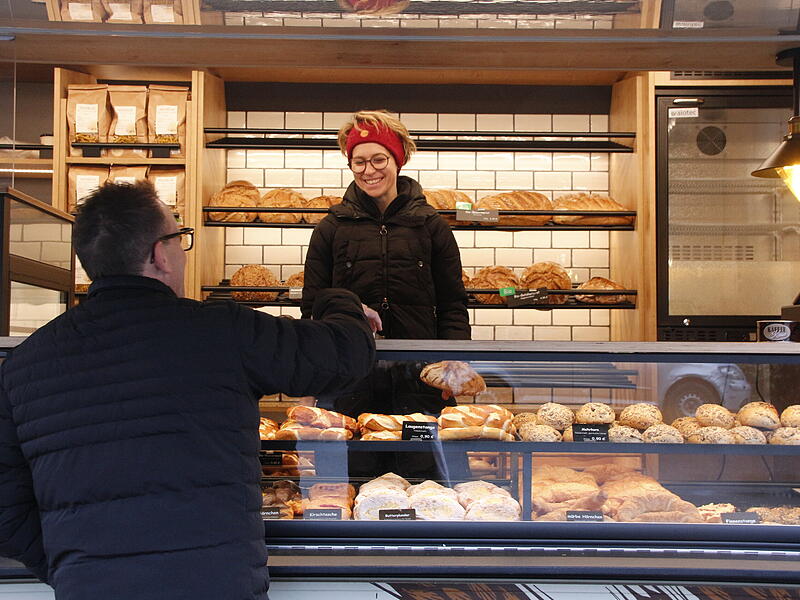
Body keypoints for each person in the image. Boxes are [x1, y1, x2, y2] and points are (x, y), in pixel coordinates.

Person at [0, 181, 376, 600]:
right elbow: (345, 356)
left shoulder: (24, 365)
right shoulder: (220, 330)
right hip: (215, 586)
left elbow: (6, 511)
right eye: (180, 240)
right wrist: (338, 301)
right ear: (160, 254)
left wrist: (75, 566)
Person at [302, 110, 471, 478]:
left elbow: (453, 303)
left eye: (378, 159)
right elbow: (312, 305)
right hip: (350, 380)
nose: (368, 170)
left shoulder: (431, 227)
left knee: (426, 488)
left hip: (419, 383)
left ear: (398, 160)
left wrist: (454, 362)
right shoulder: (331, 229)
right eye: (358, 161)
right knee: (349, 487)